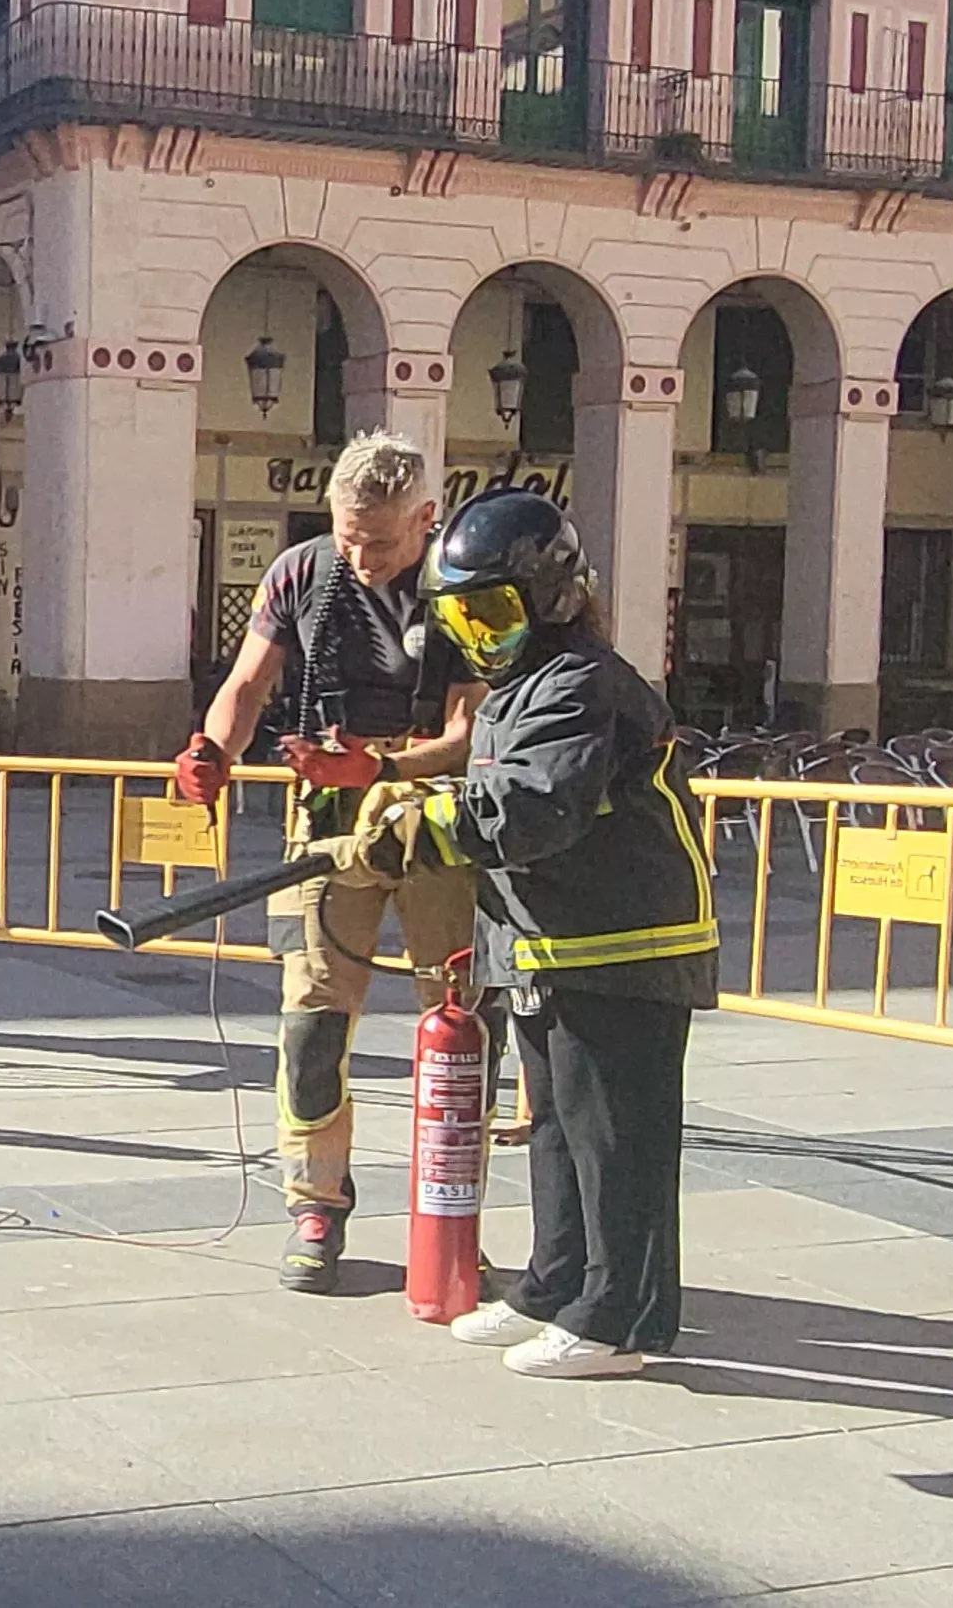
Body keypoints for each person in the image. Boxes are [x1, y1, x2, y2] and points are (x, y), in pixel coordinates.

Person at [331, 490, 718, 1378]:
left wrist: (424, 829)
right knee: (556, 1126)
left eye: (493, 609)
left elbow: (538, 807)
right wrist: (416, 798)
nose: (477, 631)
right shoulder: (520, 689)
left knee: (616, 1138)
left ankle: (622, 1317)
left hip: (624, 946)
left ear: (550, 597)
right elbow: (490, 792)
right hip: (548, 942)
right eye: (461, 614)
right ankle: (556, 1283)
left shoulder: (581, 682)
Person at [172, 430, 487, 1291]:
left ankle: (449, 1215)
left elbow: (469, 732)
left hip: (432, 814)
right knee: (309, 1021)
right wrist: (210, 749)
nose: (359, 555)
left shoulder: (466, 582)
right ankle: (313, 1202)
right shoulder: (301, 571)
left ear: (426, 518)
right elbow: (248, 683)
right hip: (326, 812)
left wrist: (384, 767)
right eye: (347, 535)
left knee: (455, 1023)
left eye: (379, 541)